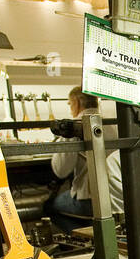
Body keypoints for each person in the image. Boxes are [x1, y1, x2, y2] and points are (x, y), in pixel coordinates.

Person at [44, 86, 124, 234]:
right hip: (118, 195)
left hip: (90, 199)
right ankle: (93, 232)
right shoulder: (111, 123)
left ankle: (84, 237)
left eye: (70, 104)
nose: (70, 108)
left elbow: (60, 170)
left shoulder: (74, 127)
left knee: (50, 207)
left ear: (76, 102)